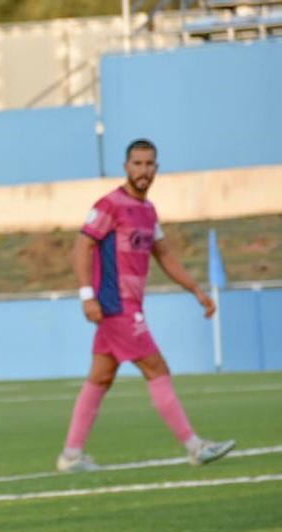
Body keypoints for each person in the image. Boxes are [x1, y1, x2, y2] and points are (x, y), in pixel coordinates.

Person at [57, 139, 234, 472]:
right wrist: (87, 296)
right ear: (126, 167)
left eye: (149, 164)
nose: (143, 170)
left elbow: (164, 255)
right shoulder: (110, 205)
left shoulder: (148, 211)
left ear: (156, 168)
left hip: (125, 307)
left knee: (100, 378)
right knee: (157, 368)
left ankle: (71, 455)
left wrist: (196, 290)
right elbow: (82, 246)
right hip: (117, 306)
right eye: (137, 163)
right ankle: (195, 447)